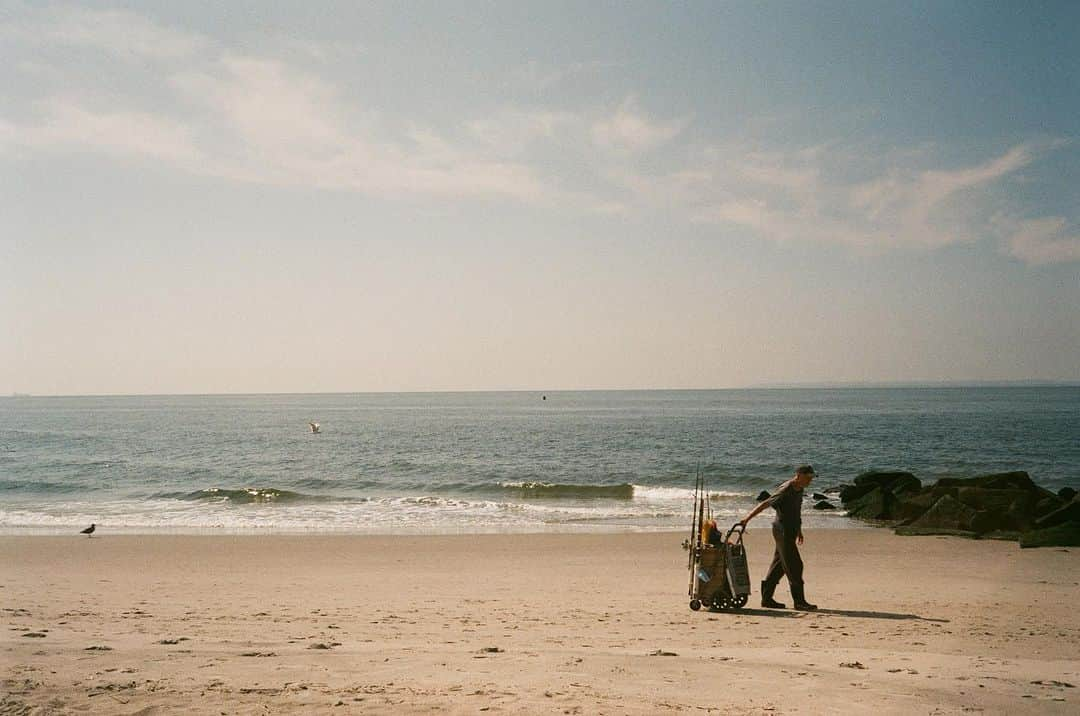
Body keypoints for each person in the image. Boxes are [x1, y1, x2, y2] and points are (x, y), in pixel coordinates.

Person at [739, 465, 818, 611]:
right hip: (782, 531)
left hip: (791, 531)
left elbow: (796, 511)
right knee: (795, 565)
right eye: (808, 477)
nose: (810, 481)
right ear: (799, 475)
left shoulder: (800, 489)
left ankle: (767, 599)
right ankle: (799, 602)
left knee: (779, 566)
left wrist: (799, 530)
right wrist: (747, 519)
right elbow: (766, 503)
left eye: (811, 478)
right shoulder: (786, 489)